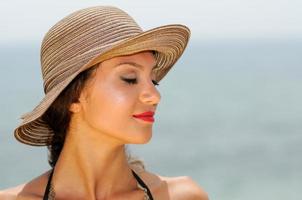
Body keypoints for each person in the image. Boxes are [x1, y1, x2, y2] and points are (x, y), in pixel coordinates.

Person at [0, 6, 208, 200]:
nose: (154, 95)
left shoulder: (183, 196)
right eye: (129, 78)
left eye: (153, 81)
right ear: (73, 96)